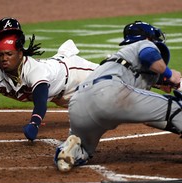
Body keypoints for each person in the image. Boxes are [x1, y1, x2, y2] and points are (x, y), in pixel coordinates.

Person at [54, 20, 182, 172]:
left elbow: (148, 117)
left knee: (84, 150)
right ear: (148, 37)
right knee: (174, 106)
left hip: (78, 104)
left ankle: (69, 150)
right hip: (109, 93)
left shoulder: (114, 64)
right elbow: (149, 56)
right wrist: (170, 74)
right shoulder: (143, 44)